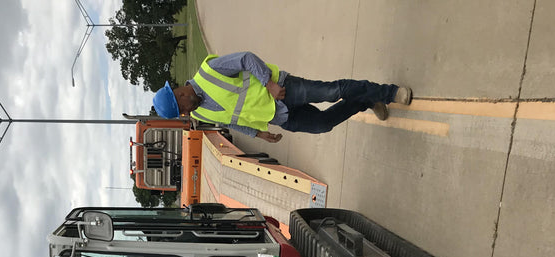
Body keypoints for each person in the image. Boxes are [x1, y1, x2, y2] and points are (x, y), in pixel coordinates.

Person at [152, 51, 412, 143]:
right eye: (182, 115)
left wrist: (269, 83)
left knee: (334, 91)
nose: (186, 114)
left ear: (180, 94)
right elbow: (232, 121)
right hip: (279, 116)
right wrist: (259, 134)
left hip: (284, 90)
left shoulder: (209, 71)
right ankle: (367, 100)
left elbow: (246, 58)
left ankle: (389, 92)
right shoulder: (199, 112)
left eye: (182, 109)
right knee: (323, 124)